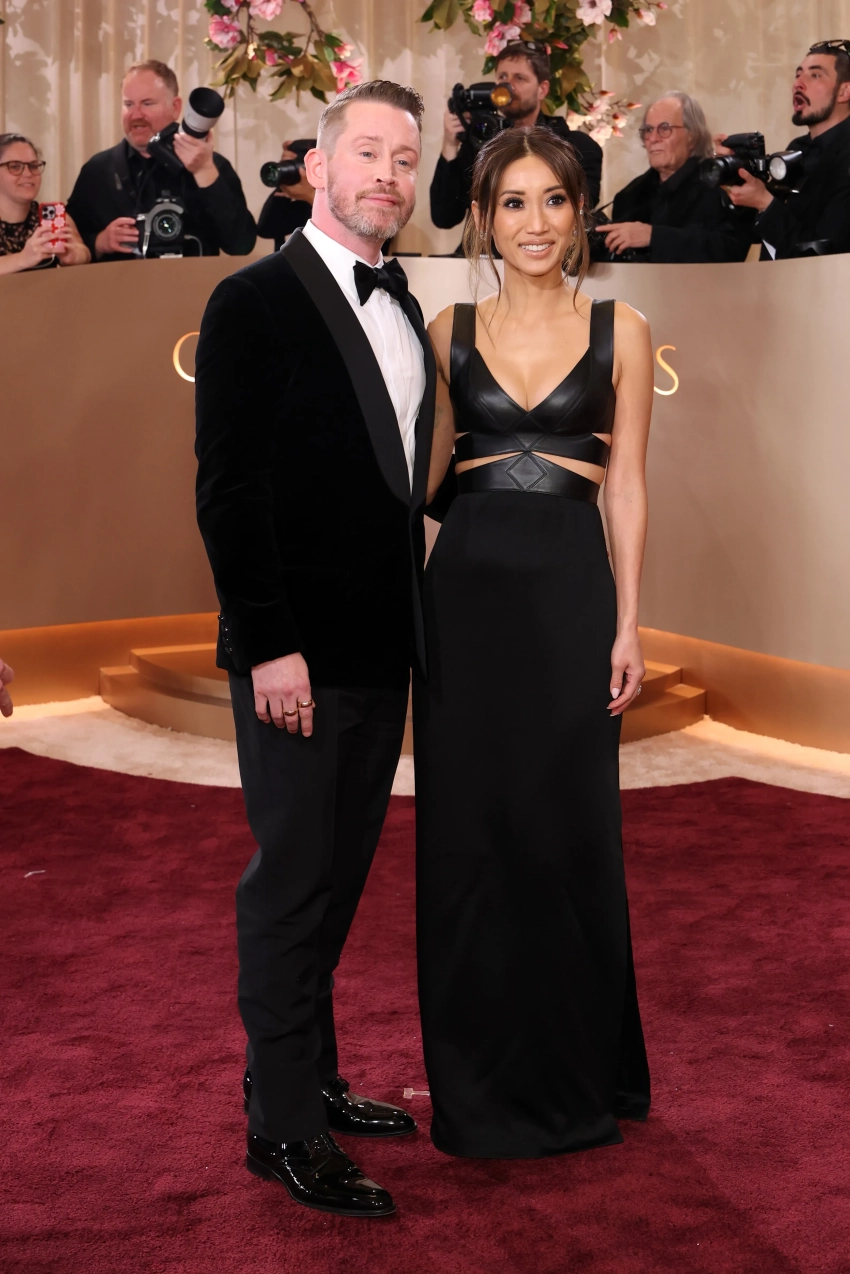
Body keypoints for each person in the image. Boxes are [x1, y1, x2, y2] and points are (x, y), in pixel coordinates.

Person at [195, 80, 436, 1217]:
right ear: (319, 169)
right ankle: (281, 1125)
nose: (388, 174)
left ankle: (310, 1074)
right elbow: (230, 492)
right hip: (296, 655)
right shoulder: (253, 298)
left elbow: (394, 485)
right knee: (292, 884)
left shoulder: (408, 301)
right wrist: (268, 644)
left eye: (406, 158)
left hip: (381, 645)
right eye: (368, 153)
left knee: (338, 879)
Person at [416, 127, 652, 1158]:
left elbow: (627, 486)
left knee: (566, 832)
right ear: (483, 217)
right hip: (463, 602)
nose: (535, 223)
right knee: (468, 836)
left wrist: (628, 620)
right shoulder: (445, 329)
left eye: (553, 200)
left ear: (580, 212)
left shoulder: (621, 327)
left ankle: (579, 1070)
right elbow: (418, 481)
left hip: (568, 597)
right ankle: (475, 1086)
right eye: (513, 203)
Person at [66, 60, 255, 262]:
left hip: (195, 282)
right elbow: (69, 247)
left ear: (175, 107)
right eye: (128, 104)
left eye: (147, 104)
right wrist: (99, 242)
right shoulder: (98, 170)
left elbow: (241, 245)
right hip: (119, 282)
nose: (136, 114)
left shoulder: (213, 166)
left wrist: (204, 171)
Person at [430, 40, 602, 235]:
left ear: (542, 89)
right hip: (487, 251)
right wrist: (450, 145)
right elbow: (444, 217)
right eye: (502, 77)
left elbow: (580, 213)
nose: (508, 86)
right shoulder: (483, 143)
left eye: (519, 78)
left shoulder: (577, 146)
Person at [719, 40, 850, 258]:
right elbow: (757, 233)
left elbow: (829, 253)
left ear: (845, 91)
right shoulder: (797, 149)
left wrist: (765, 202)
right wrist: (735, 179)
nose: (798, 84)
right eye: (798, 75)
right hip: (777, 278)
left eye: (815, 75)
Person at [600, 91, 753, 262]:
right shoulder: (628, 196)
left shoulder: (719, 185)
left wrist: (653, 236)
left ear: (692, 136)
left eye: (665, 128)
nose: (653, 138)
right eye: (648, 130)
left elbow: (730, 250)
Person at [0, 133, 89, 274]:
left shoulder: (52, 216)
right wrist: (22, 259)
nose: (28, 173)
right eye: (15, 167)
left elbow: (84, 252)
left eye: (34, 166)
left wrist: (75, 256)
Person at [257, 140, 314, 251]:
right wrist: (286, 175)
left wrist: (311, 196)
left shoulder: (343, 199)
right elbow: (267, 229)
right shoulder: (303, 204)